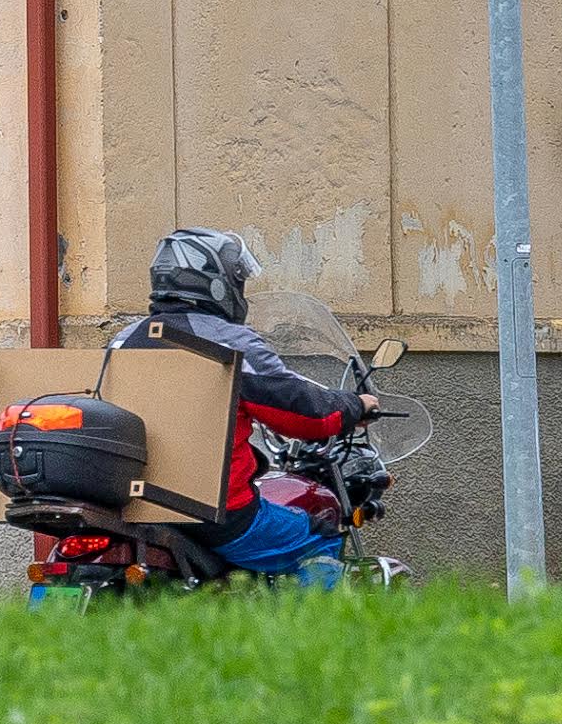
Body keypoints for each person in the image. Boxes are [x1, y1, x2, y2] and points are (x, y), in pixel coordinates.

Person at [112, 227, 375, 575]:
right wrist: (354, 406)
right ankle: (314, 630)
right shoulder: (231, 342)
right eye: (237, 280)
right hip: (214, 511)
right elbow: (300, 414)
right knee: (319, 535)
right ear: (217, 283)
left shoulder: (123, 341)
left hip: (130, 502)